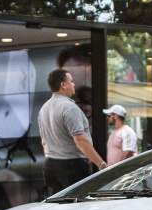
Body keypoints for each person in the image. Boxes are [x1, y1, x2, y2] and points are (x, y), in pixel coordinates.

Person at [39, 68, 106, 196]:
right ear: (63, 85)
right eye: (71, 81)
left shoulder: (44, 108)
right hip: (71, 167)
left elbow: (44, 142)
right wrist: (101, 164)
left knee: (59, 206)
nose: (73, 84)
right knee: (79, 206)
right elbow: (80, 140)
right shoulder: (69, 108)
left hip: (50, 165)